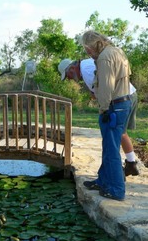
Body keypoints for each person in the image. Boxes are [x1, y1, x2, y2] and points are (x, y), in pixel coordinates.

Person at [58, 58, 140, 176]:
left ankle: (116, 173)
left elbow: (101, 93)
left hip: (121, 99)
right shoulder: (87, 64)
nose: (70, 79)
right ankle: (131, 164)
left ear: (72, 68)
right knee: (121, 132)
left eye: (68, 75)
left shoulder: (86, 71)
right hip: (130, 94)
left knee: (112, 136)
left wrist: (103, 107)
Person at [79, 30, 132, 201]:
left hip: (114, 106)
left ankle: (116, 190)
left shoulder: (104, 57)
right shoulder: (117, 51)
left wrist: (103, 109)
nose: (87, 52)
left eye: (87, 48)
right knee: (109, 146)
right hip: (122, 102)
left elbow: (106, 87)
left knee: (112, 150)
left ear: (93, 44)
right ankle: (103, 181)